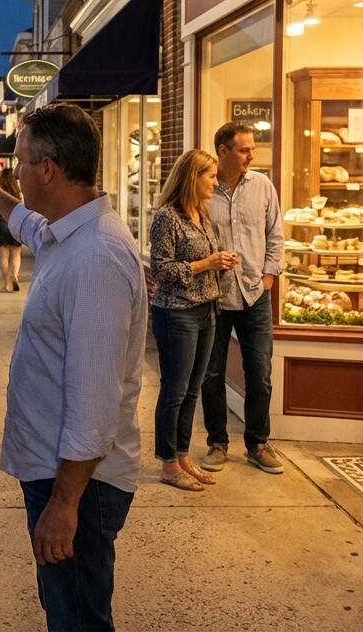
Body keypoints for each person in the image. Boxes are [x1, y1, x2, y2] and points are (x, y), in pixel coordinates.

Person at [0, 103, 145, 632]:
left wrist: (64, 504)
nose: (13, 171)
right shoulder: (71, 233)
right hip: (57, 470)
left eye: (19, 162)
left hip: (78, 485)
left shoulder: (94, 260)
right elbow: (32, 227)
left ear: (47, 170)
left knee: (78, 618)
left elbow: (93, 401)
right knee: (65, 607)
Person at [149, 150, 238, 492]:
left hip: (207, 310)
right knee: (174, 391)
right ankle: (167, 463)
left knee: (191, 390)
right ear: (193, 177)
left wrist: (222, 262)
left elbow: (205, 258)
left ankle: (182, 455)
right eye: (211, 176)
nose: (216, 183)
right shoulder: (167, 218)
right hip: (177, 313)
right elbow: (160, 270)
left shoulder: (202, 214)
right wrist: (206, 264)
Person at [199, 123, 285, 475]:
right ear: (223, 151)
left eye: (252, 149)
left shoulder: (262, 186)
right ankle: (217, 442)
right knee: (211, 372)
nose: (252, 155)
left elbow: (276, 235)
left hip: (254, 293)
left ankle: (257, 443)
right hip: (215, 295)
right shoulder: (203, 187)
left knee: (259, 373)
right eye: (245, 149)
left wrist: (268, 277)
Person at [0, 167, 23, 293]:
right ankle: (14, 276)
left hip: (2, 225)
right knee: (16, 254)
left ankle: (7, 284)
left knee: (4, 256)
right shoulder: (18, 194)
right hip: (15, 224)